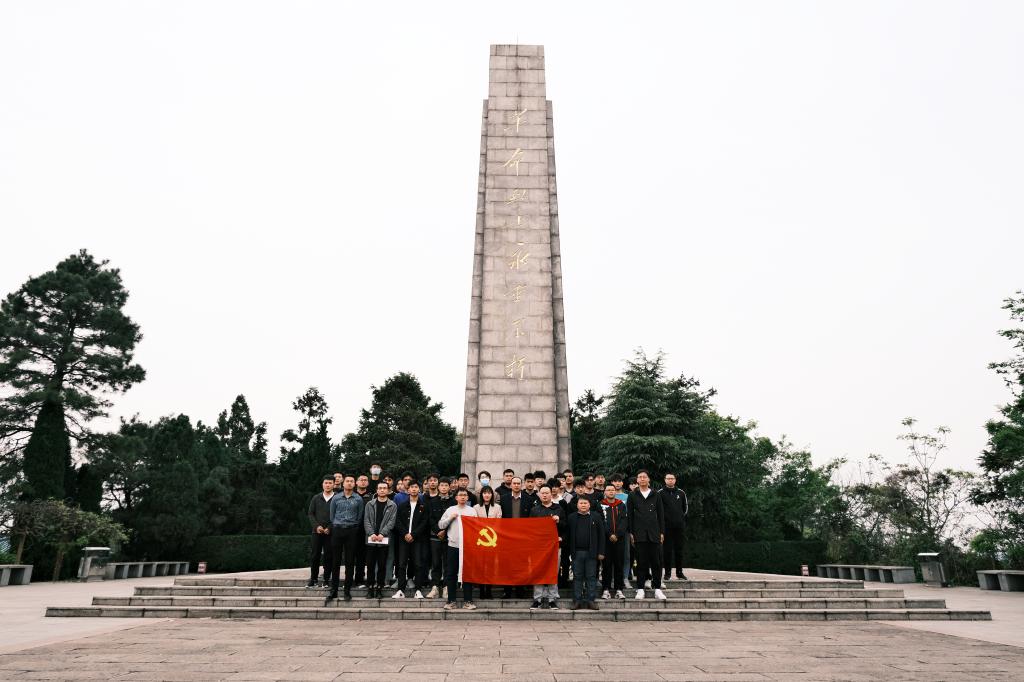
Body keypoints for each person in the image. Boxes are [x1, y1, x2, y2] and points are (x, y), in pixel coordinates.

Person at [628, 470, 666, 600]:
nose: (642, 479)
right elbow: (630, 515)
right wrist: (631, 532)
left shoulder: (656, 494)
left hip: (654, 532)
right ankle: (640, 589)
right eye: (640, 477)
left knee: (656, 562)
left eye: (644, 477)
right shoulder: (633, 495)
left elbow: (661, 514)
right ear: (637, 480)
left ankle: (658, 589)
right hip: (639, 533)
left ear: (648, 479)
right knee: (641, 562)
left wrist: (662, 532)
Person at [438, 488, 478, 610]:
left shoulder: (472, 511)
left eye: (465, 495)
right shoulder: (451, 510)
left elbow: (477, 527)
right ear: (456, 497)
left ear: (468, 497)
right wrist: (450, 518)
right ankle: (451, 601)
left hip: (467, 547)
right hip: (453, 546)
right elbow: (440, 525)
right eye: (460, 495)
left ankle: (468, 601)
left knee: (467, 573)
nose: (463, 497)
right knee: (451, 573)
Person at [328, 474, 364, 601]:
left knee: (350, 562)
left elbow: (359, 517)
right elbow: (332, 516)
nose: (349, 483)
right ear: (343, 483)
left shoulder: (358, 499)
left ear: (354, 484)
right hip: (337, 530)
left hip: (351, 531)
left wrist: (352, 527)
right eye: (347, 481)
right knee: (335, 562)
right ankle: (334, 590)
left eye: (351, 481)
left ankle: (347, 590)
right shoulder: (336, 498)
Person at [529, 484, 564, 609]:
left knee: (553, 571)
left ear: (551, 494)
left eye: (547, 493)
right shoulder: (535, 510)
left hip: (554, 546)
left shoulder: (558, 509)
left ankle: (552, 598)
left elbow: (565, 526)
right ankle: (537, 599)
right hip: (538, 546)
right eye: (542, 493)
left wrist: (559, 523)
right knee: (538, 571)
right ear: (539, 495)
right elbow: (530, 528)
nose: (544, 495)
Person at [499, 476, 534, 598]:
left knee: (521, 564)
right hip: (507, 537)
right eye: (514, 483)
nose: (516, 485)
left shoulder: (528, 499)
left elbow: (531, 518)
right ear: (511, 485)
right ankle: (507, 591)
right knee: (507, 564)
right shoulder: (504, 499)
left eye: (518, 483)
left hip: (522, 537)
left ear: (522, 484)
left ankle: (520, 590)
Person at [567, 496, 604, 610]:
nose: (583, 505)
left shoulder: (596, 516)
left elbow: (601, 535)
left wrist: (601, 552)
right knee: (577, 577)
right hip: (577, 553)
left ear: (589, 505)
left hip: (592, 553)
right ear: (577, 505)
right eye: (581, 503)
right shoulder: (572, 517)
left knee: (591, 577)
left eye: (585, 503)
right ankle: (577, 600)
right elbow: (568, 535)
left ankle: (591, 600)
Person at [393, 480, 429, 599]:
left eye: (416, 487)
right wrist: (405, 534)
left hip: (417, 539)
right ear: (408, 490)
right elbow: (397, 521)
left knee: (418, 564)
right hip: (403, 538)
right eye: (411, 487)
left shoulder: (423, 506)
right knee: (401, 564)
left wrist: (413, 534)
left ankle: (418, 590)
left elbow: (424, 522)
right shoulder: (402, 505)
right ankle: (400, 590)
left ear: (419, 489)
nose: (414, 489)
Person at [362, 481, 398, 599]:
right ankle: (370, 587)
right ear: (377, 490)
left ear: (388, 490)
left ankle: (379, 588)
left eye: (384, 488)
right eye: (380, 488)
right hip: (371, 539)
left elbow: (392, 521)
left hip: (384, 539)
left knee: (382, 565)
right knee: (370, 565)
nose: (382, 490)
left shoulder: (392, 505)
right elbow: (366, 520)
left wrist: (382, 533)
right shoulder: (370, 504)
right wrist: (371, 533)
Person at [425, 477, 454, 598]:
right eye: (442, 485)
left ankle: (446, 587)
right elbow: (430, 518)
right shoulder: (432, 501)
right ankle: (435, 587)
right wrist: (438, 531)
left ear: (449, 487)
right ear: (438, 487)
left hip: (449, 537)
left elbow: (454, 519)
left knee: (448, 563)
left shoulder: (453, 501)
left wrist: (444, 531)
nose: (444, 487)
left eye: (446, 485)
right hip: (435, 537)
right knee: (435, 563)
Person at [599, 483, 628, 599]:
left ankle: (619, 589)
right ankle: (606, 589)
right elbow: (601, 521)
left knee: (619, 564)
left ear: (615, 492)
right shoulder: (600, 505)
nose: (611, 492)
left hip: (619, 539)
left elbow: (624, 521)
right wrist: (609, 534)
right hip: (605, 540)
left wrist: (617, 534)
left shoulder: (621, 505)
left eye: (612, 490)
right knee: (606, 565)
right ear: (605, 492)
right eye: (608, 490)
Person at [473, 485, 502, 600]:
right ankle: (481, 590)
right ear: (481, 495)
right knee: (481, 565)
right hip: (480, 540)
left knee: (490, 566)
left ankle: (489, 590)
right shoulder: (476, 507)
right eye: (484, 493)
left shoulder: (497, 507)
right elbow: (474, 523)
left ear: (492, 495)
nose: (487, 495)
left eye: (489, 493)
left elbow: (499, 523)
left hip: (492, 540)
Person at [659, 472, 689, 581]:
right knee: (667, 550)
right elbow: (658, 510)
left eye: (672, 478)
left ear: (675, 480)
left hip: (679, 527)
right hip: (666, 527)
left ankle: (679, 573)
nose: (670, 480)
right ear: (665, 480)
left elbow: (685, 509)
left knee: (679, 550)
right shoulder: (660, 493)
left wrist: (679, 518)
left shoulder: (681, 493)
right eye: (668, 478)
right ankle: (667, 573)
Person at [307, 476, 335, 588]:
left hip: (330, 533)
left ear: (334, 484)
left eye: (330, 483)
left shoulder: (337, 498)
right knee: (315, 556)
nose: (328, 485)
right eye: (326, 483)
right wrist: (316, 526)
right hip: (317, 532)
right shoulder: (316, 498)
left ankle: (326, 579)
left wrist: (330, 527)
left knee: (329, 556)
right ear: (322, 484)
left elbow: (338, 515)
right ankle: (313, 579)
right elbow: (310, 513)